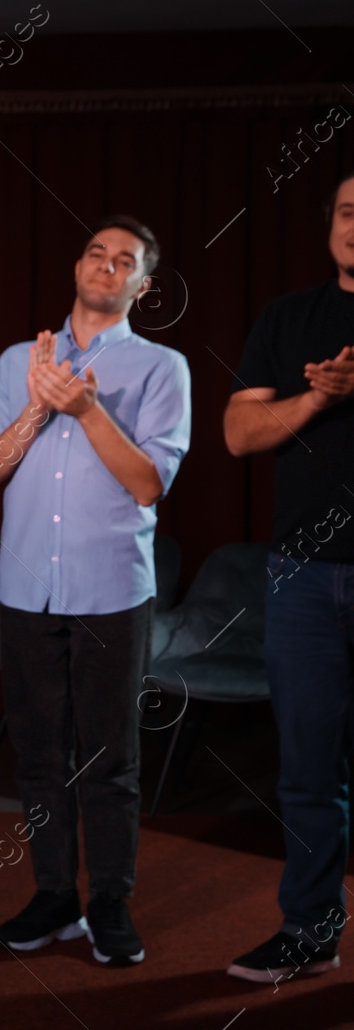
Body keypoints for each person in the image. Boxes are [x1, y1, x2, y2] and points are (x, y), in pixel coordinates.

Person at [0, 216, 191, 967]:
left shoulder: (164, 369)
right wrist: (38, 404)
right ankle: (55, 896)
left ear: (142, 285)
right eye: (96, 252)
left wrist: (88, 409)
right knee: (38, 757)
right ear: (78, 265)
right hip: (26, 590)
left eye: (123, 260)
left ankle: (112, 904)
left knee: (110, 760)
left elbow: (148, 484)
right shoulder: (17, 362)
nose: (106, 265)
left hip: (112, 594)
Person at [223, 169, 354, 985]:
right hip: (303, 578)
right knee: (308, 767)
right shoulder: (289, 317)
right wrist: (316, 398)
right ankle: (312, 929)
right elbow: (239, 431)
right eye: (347, 211)